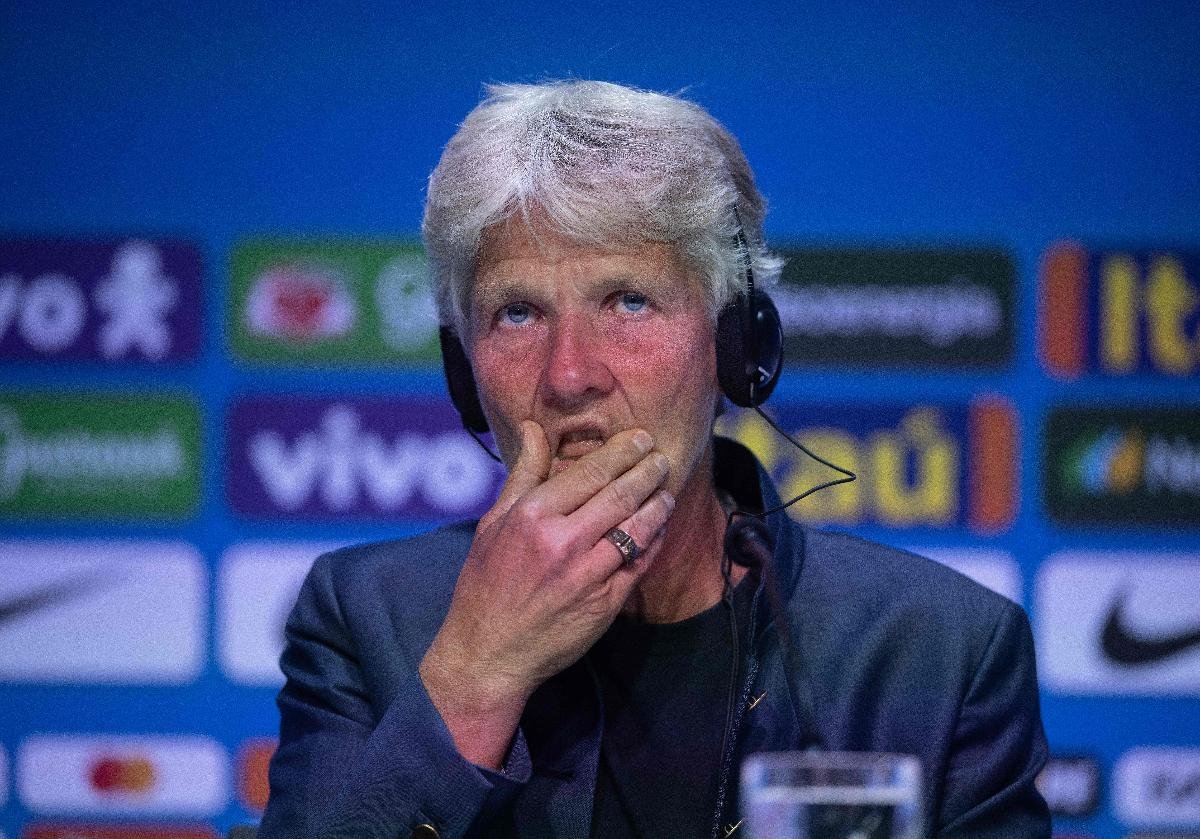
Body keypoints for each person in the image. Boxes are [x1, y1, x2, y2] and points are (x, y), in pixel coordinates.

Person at [258, 80, 1050, 839]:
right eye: (518, 311)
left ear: (736, 347)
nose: (570, 374)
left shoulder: (941, 650)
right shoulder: (363, 617)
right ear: (464, 372)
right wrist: (473, 676)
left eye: (628, 301)